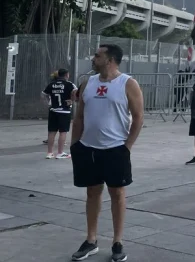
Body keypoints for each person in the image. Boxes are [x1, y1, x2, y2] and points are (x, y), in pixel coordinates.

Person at [70, 45, 144, 262]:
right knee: (92, 192)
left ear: (110, 60)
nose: (93, 58)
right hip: (88, 148)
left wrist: (127, 146)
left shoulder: (128, 83)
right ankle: (91, 240)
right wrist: (75, 144)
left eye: (97, 55)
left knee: (117, 194)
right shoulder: (88, 83)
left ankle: (117, 242)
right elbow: (79, 116)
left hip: (116, 149)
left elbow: (138, 117)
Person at [42, 68, 77, 159]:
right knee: (63, 132)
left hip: (53, 110)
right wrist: (72, 100)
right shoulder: (69, 84)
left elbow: (43, 94)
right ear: (67, 75)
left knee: (51, 132)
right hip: (64, 111)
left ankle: (49, 153)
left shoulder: (51, 84)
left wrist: (48, 103)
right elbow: (76, 92)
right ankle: (60, 152)